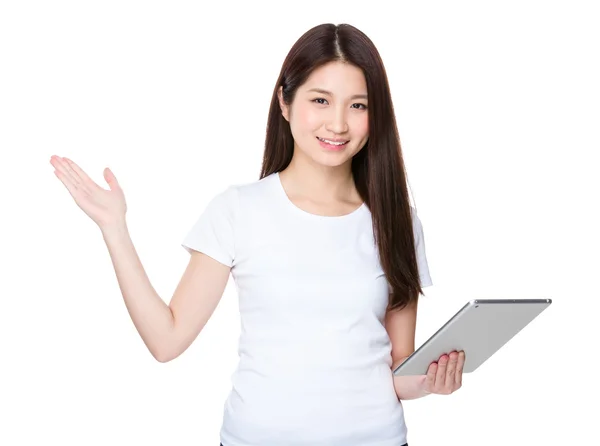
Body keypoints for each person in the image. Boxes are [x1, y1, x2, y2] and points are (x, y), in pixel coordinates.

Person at [50, 22, 465, 446]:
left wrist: (431, 381)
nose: (338, 123)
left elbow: (396, 372)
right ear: (284, 102)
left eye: (358, 105)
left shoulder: (397, 220)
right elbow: (166, 340)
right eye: (320, 100)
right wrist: (114, 229)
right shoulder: (238, 210)